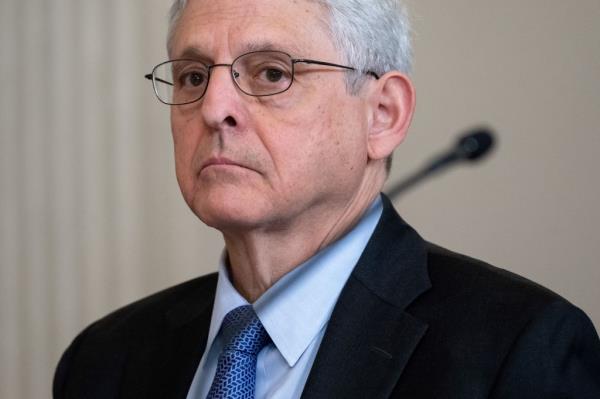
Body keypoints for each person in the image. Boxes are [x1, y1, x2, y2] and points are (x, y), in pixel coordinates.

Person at [53, 0, 600, 397]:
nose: (213, 107)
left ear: (383, 114)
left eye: (271, 72)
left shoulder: (520, 350)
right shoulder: (103, 362)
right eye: (194, 76)